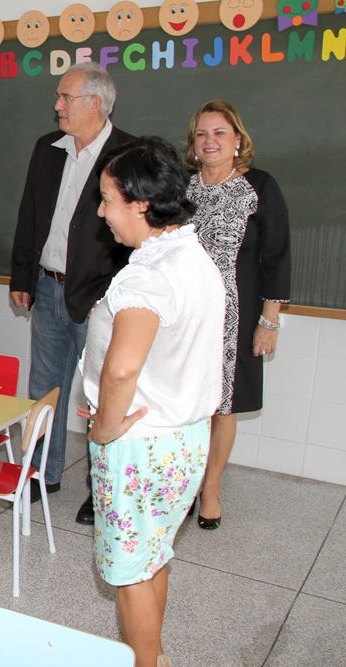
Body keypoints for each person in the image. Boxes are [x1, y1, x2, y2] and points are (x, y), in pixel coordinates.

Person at [82, 137, 224, 667]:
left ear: (140, 204)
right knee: (152, 554)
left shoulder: (146, 275)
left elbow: (123, 367)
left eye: (107, 199)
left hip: (141, 446)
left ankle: (146, 662)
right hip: (185, 438)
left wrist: (104, 426)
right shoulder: (193, 255)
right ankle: (154, 656)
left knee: (129, 571)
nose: (102, 212)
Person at [8, 63, 134, 524]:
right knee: (45, 388)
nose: (56, 105)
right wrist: (21, 277)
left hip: (99, 294)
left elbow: (141, 230)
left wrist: (116, 294)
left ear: (95, 104)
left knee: (101, 396)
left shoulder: (127, 153)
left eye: (65, 98)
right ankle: (42, 473)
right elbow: (29, 215)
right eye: (59, 98)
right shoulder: (48, 148)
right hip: (46, 283)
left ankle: (99, 489)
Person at [184, 100, 291, 529]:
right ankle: (187, 483)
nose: (210, 141)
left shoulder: (259, 187)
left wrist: (269, 320)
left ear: (238, 140)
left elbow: (277, 257)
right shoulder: (183, 189)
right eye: (202, 134)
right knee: (188, 405)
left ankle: (210, 490)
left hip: (237, 317)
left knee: (223, 407)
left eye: (219, 133)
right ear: (193, 144)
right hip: (186, 317)